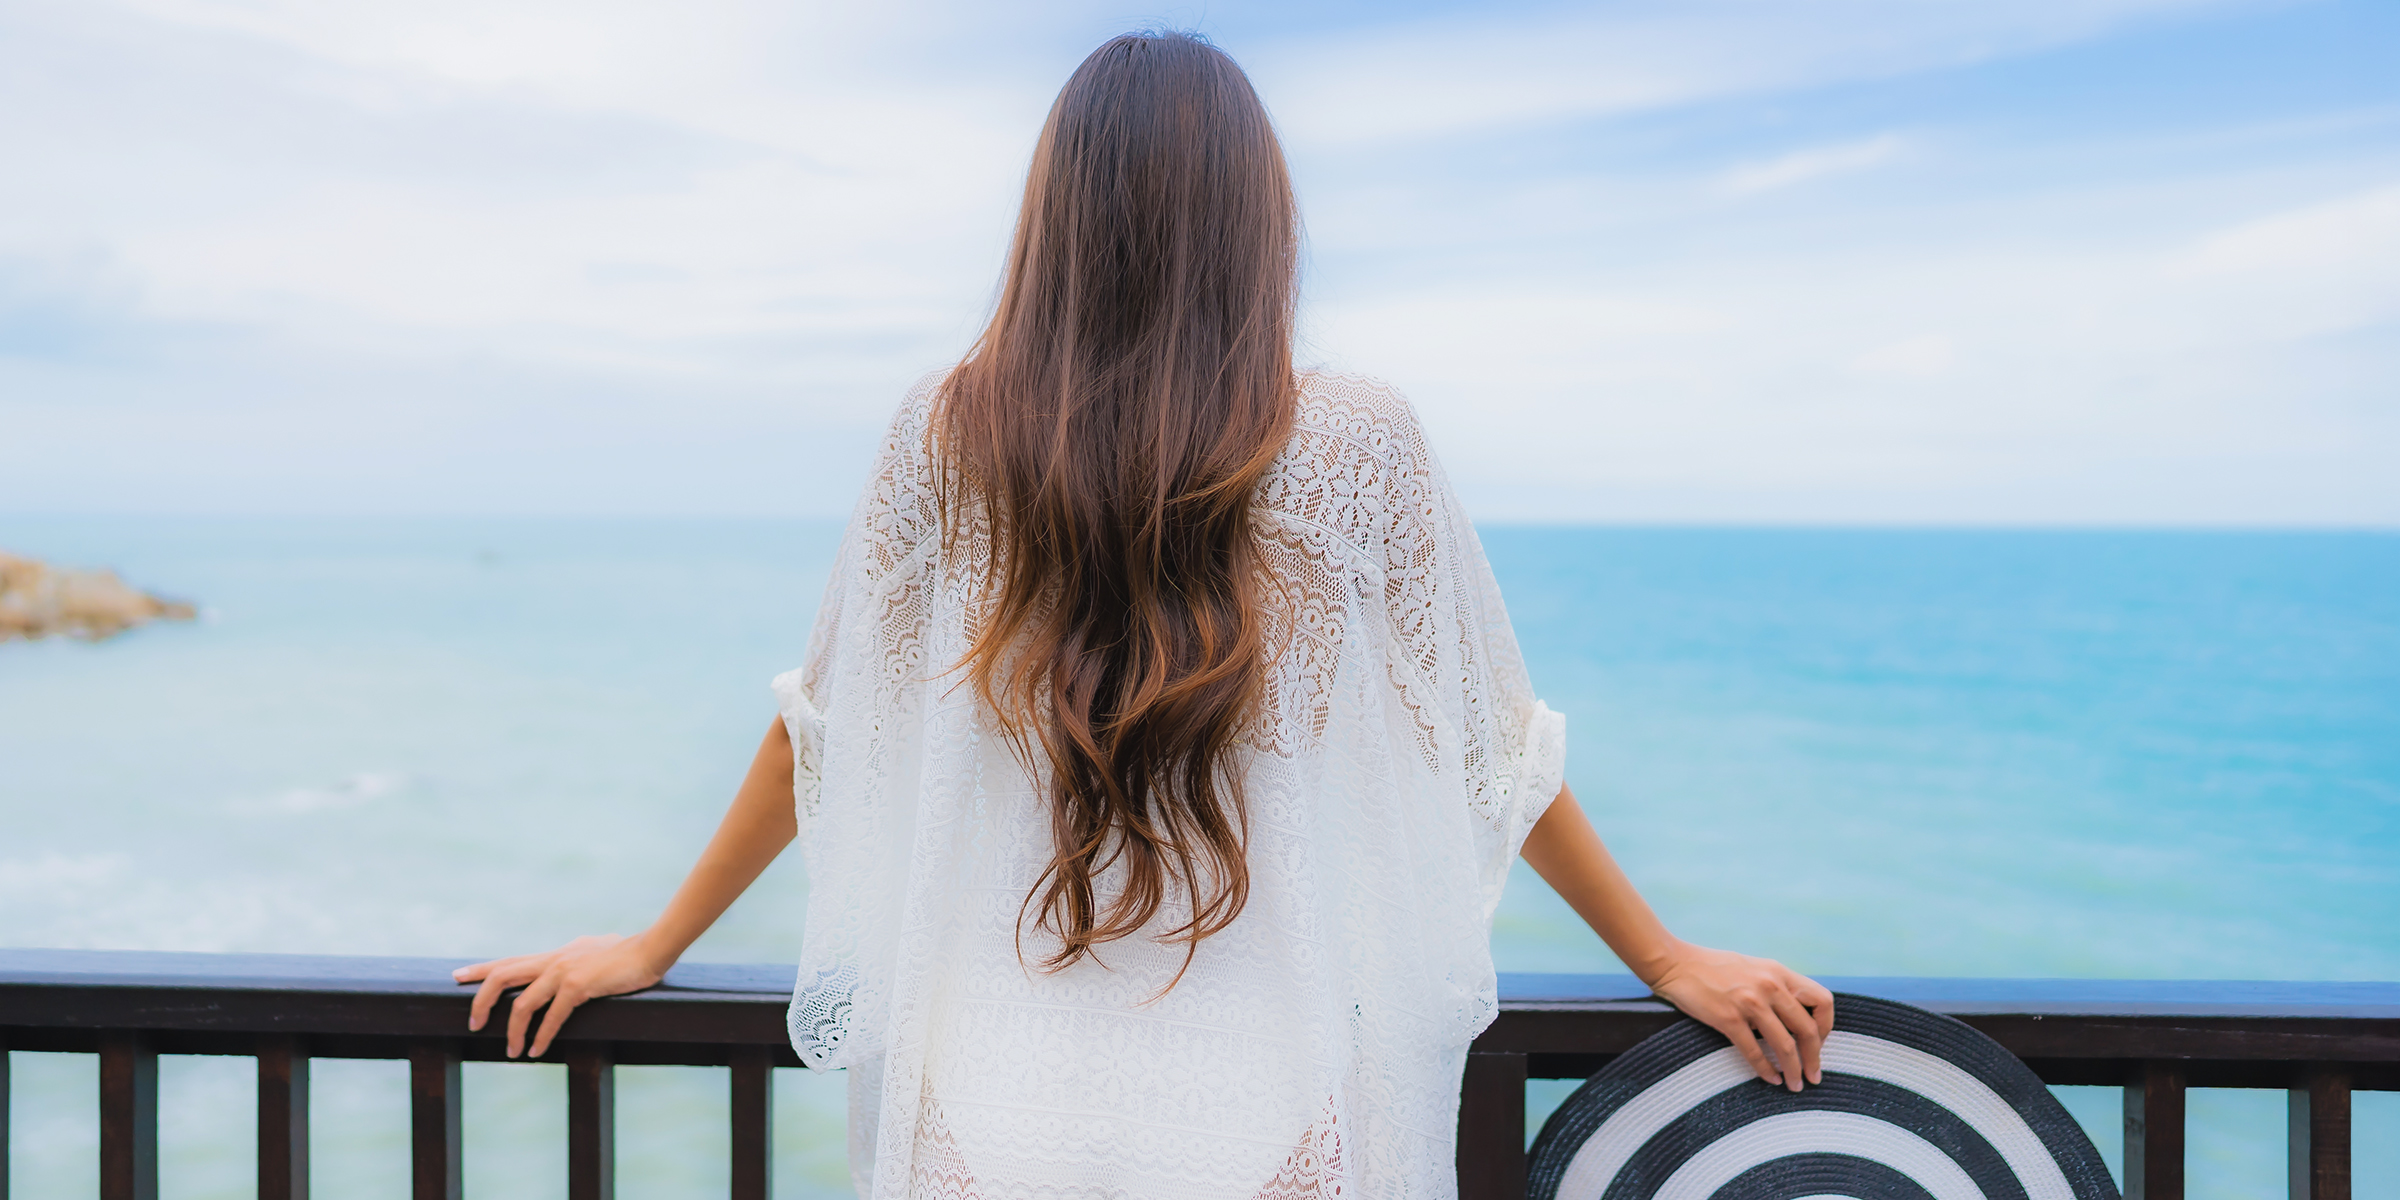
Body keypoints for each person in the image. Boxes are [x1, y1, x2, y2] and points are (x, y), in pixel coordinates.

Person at [456, 30, 1832, 1200]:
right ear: (1260, 217)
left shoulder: (948, 435)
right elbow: (1492, 755)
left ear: (1055, 215)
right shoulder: (1356, 441)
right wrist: (1666, 957)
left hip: (979, 1093)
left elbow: (816, 739)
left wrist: (652, 946)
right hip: (1268, 1091)